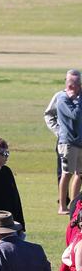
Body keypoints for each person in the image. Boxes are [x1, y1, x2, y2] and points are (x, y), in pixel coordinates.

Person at [44, 69, 82, 214]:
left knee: (80, 173)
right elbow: (74, 114)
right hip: (67, 142)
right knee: (66, 173)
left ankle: (75, 204)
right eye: (72, 82)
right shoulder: (61, 97)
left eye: (77, 82)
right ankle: (63, 205)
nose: (74, 86)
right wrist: (59, 131)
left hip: (80, 141)